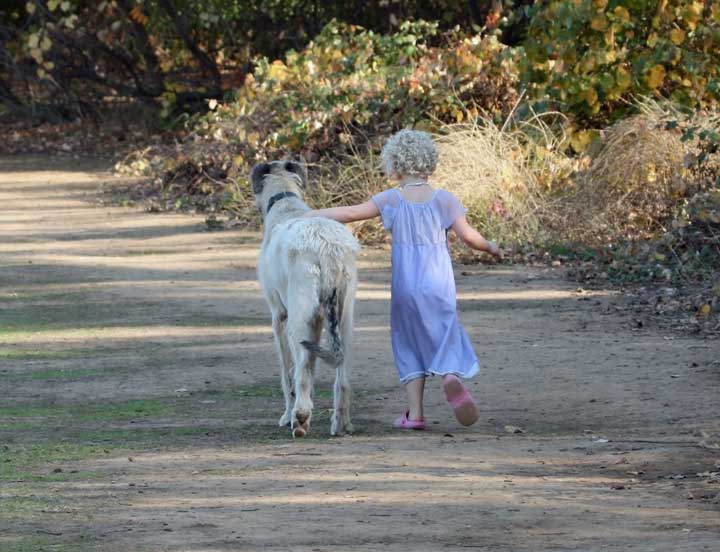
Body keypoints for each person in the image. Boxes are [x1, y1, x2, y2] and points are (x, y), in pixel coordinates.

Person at [304, 129, 501, 429]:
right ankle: (450, 374)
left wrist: (309, 215)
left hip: (405, 286)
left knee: (408, 342)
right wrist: (490, 247)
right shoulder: (444, 200)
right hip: (439, 284)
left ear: (394, 164)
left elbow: (351, 212)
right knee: (445, 331)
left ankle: (416, 414)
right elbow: (469, 236)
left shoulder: (391, 199)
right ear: (430, 162)